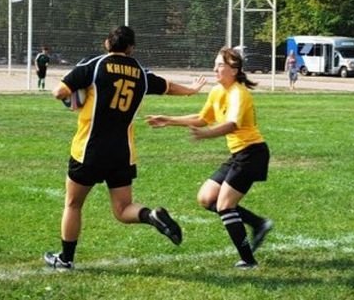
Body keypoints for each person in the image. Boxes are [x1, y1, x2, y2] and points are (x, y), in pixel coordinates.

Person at [43, 26, 206, 270]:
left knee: (73, 204)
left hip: (89, 149)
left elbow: (59, 93)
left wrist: (72, 92)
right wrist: (192, 90)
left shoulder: (95, 65)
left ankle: (65, 259)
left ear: (107, 43)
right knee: (123, 209)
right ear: (131, 48)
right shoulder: (139, 72)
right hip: (122, 152)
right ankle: (150, 215)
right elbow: (168, 86)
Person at [146, 47, 273, 269]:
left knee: (225, 205)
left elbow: (231, 124)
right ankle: (258, 223)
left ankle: (248, 260)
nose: (215, 69)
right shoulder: (217, 91)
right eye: (215, 64)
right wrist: (169, 120)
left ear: (234, 70)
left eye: (220, 65)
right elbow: (203, 118)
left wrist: (207, 135)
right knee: (206, 198)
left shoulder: (239, 93)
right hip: (239, 154)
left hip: (253, 154)